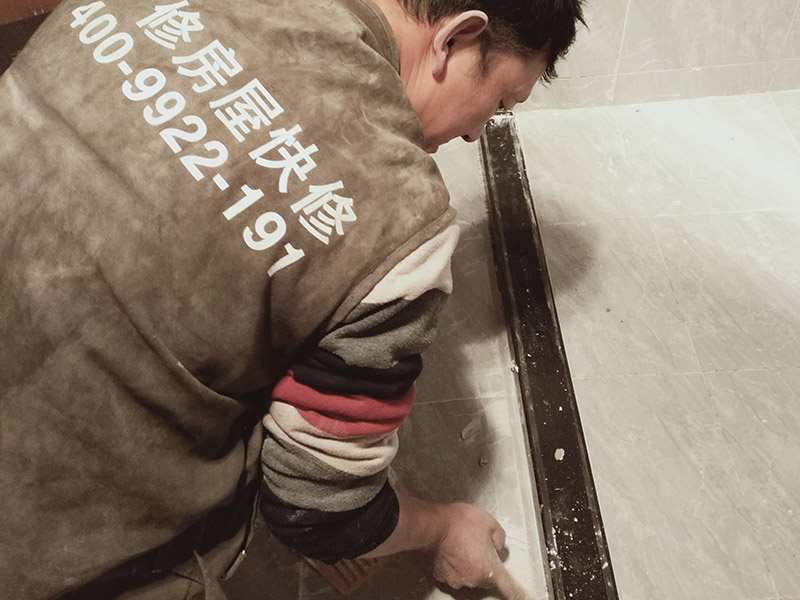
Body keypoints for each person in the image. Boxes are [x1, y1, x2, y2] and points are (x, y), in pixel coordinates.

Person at [0, 0, 584, 598]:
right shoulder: (399, 217)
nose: (475, 132)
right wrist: (441, 529)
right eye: (501, 100)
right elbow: (321, 513)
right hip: (59, 560)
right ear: (458, 37)